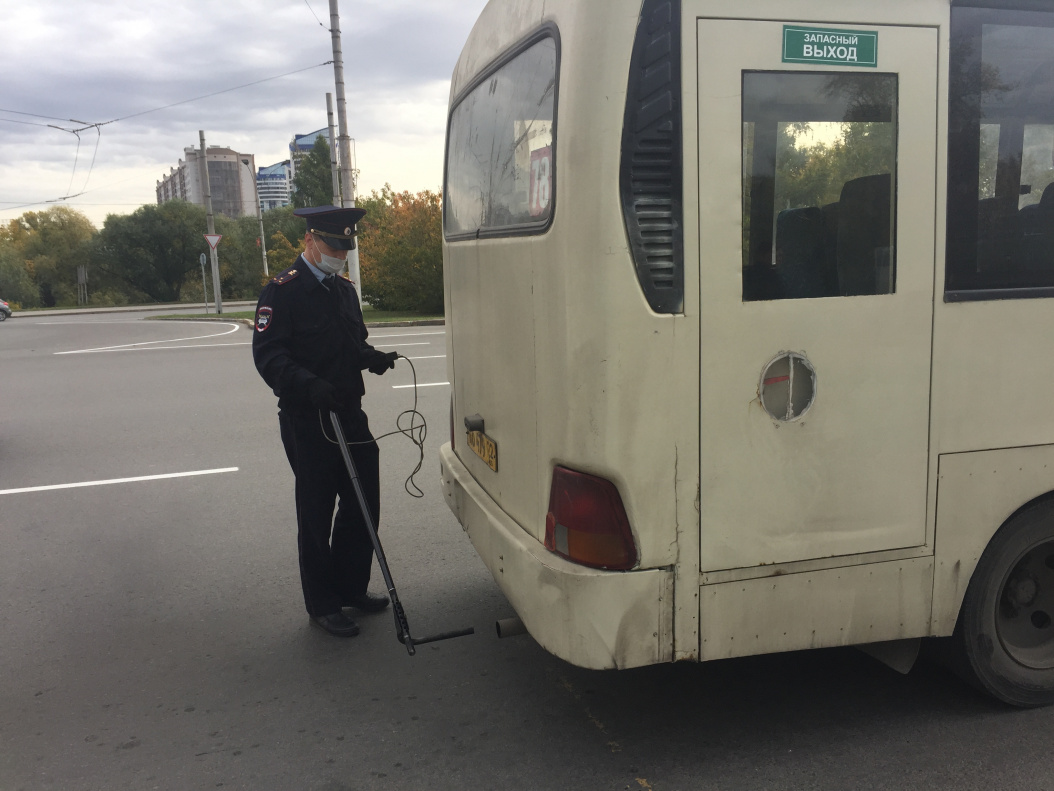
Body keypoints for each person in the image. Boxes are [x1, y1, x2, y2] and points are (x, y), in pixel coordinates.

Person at [253, 205, 399, 637]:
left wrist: (369, 358)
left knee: (363, 502)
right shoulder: (283, 292)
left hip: (349, 412)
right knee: (316, 512)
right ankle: (322, 603)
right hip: (309, 418)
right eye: (333, 245)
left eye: (344, 247)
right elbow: (269, 357)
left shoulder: (343, 290)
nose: (339, 253)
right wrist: (307, 384)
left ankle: (352, 587)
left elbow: (352, 343)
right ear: (310, 241)